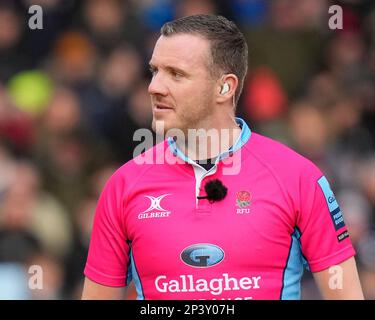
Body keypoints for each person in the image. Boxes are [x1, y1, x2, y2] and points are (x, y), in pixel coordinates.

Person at [81, 14, 364, 300]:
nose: (154, 86)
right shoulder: (123, 186)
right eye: (155, 71)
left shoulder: (298, 178)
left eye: (176, 74)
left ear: (225, 87)